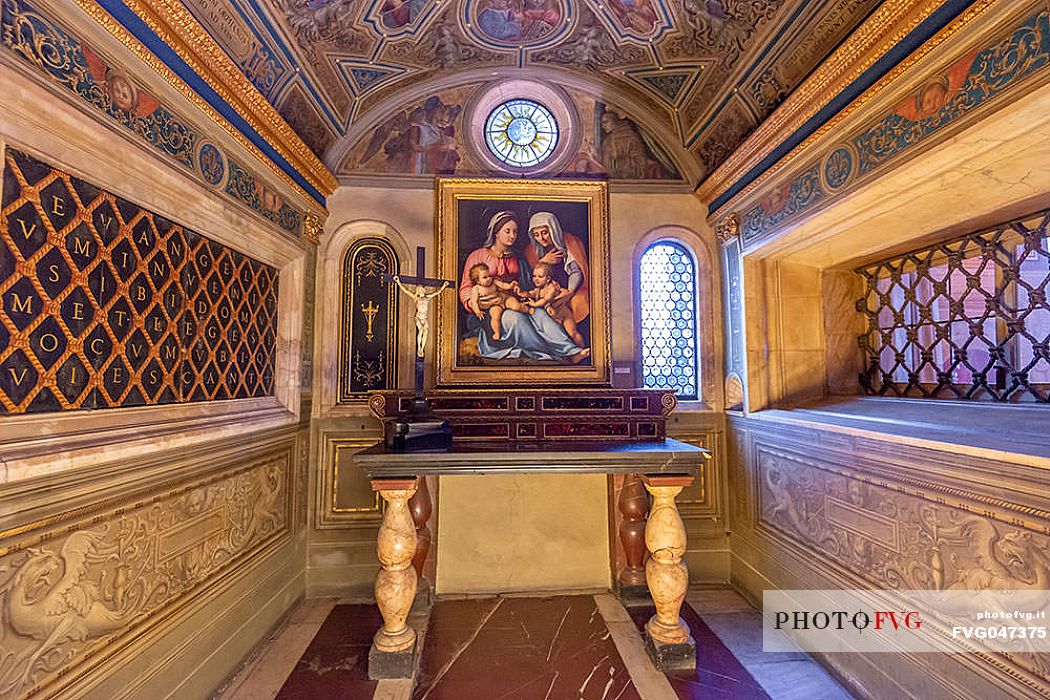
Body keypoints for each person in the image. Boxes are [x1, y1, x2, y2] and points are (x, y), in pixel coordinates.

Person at [459, 211, 590, 363]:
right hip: (489, 311)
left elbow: (530, 283)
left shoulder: (517, 258)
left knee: (541, 314)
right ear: (496, 233)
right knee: (516, 319)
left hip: (515, 302)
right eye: (507, 231)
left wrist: (538, 291)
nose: (512, 236)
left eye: (515, 232)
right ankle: (554, 354)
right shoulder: (477, 256)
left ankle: (571, 351)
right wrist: (475, 303)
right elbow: (466, 287)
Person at [523, 211, 591, 328]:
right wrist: (543, 261)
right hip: (547, 290)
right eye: (536, 235)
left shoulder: (570, 241)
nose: (541, 238)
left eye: (544, 233)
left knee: (579, 303)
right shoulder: (531, 250)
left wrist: (570, 290)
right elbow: (532, 279)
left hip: (572, 287)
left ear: (553, 230)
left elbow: (576, 271)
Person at [521, 263, 585, 347]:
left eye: (540, 277)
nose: (536, 279)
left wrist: (534, 304)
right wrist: (522, 293)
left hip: (563, 315)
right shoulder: (539, 289)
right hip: (553, 318)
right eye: (534, 276)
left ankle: (582, 349)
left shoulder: (552, 288)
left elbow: (545, 300)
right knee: (555, 337)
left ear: (548, 279)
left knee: (572, 333)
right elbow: (530, 293)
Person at [467, 263, 527, 341]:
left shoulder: (494, 282)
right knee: (495, 317)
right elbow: (474, 302)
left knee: (517, 306)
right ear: (477, 280)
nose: (489, 278)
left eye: (489, 276)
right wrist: (478, 312)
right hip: (494, 305)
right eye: (485, 277)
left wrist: (510, 286)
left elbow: (503, 285)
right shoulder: (476, 289)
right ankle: (497, 333)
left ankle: (528, 310)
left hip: (504, 299)